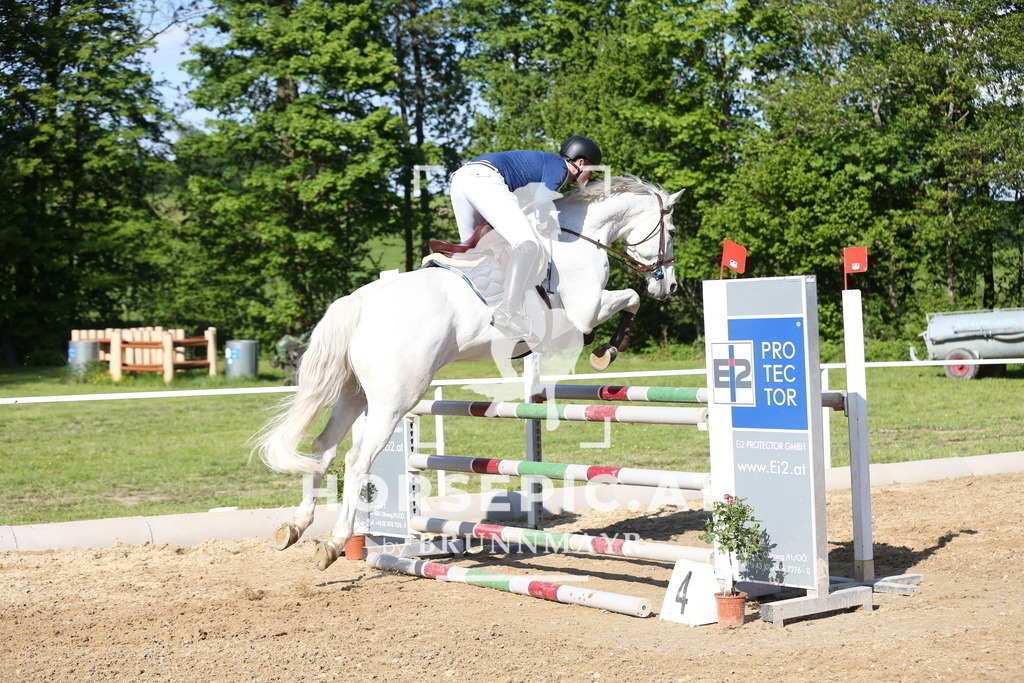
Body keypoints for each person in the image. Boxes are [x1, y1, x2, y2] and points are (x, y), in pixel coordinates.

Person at [448, 135, 603, 341]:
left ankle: (474, 311)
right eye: (592, 171)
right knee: (528, 245)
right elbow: (541, 202)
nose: (590, 177)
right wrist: (543, 222)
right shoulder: (561, 167)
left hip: (461, 179)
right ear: (581, 163)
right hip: (484, 179)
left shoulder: (546, 165)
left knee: (474, 252)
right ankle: (508, 312)